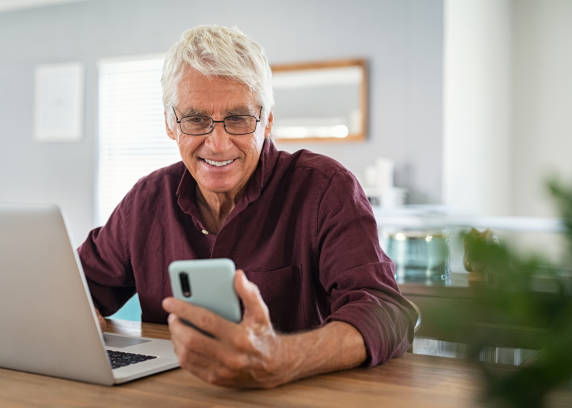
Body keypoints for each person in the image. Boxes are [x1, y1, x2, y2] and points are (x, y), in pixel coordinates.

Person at [79, 25, 418, 388]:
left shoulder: (325, 188)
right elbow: (77, 287)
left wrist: (282, 357)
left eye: (239, 119)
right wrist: (71, 315)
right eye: (196, 120)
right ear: (169, 124)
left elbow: (387, 313)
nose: (219, 144)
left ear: (267, 120)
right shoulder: (146, 200)